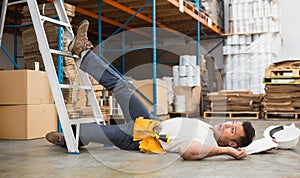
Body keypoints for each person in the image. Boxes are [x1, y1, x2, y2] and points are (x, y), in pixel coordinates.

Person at [46, 20, 255, 161]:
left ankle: (67, 141)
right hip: (149, 121)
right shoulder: (208, 130)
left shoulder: (209, 144)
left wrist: (225, 151)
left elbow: (186, 152)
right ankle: (82, 51)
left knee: (89, 131)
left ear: (233, 142)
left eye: (232, 130)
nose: (228, 124)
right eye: (232, 123)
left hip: (138, 139)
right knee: (121, 85)